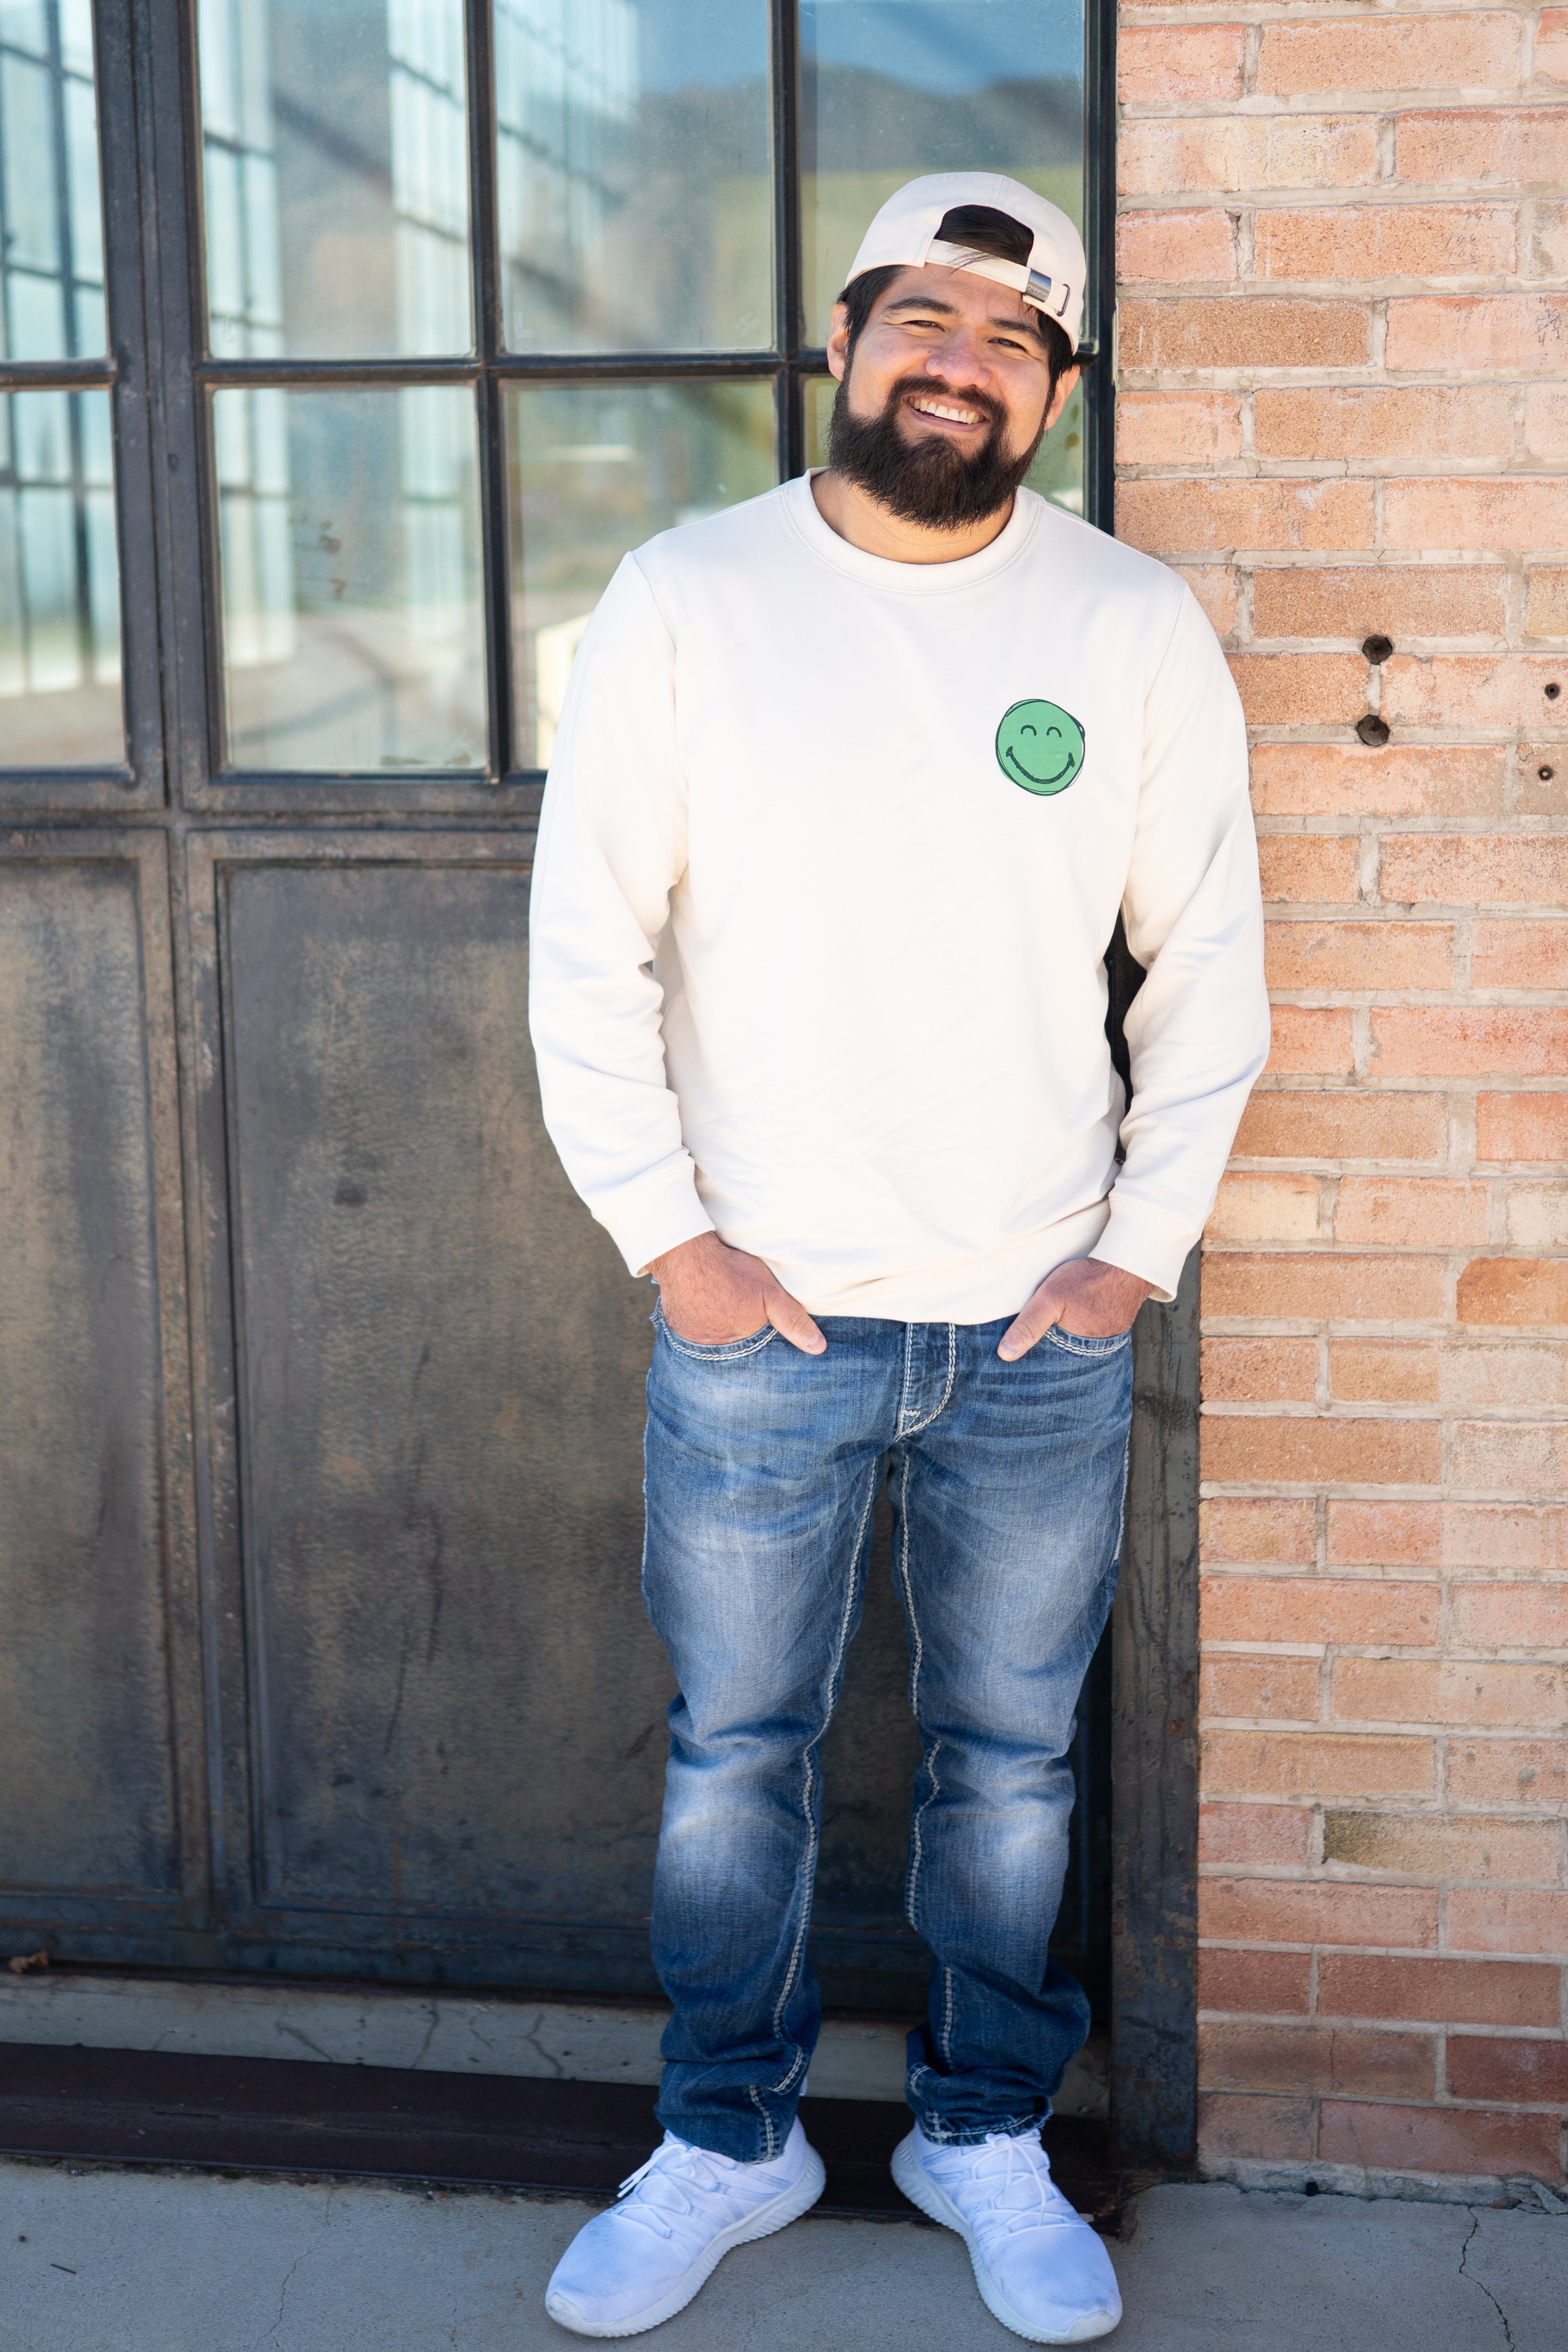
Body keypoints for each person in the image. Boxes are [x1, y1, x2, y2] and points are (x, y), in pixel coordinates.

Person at [527, 171, 1268, 2344]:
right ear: (843, 343)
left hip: (1038, 1318)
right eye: (925, 321)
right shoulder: (690, 597)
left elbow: (1206, 966)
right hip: (766, 1314)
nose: (962, 364)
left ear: (1054, 392)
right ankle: (727, 2141)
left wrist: (1133, 1257)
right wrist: (673, 1245)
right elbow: (590, 954)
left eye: (1013, 341)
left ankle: (981, 2131)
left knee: (1013, 1763)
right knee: (733, 1750)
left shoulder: (1125, 625)